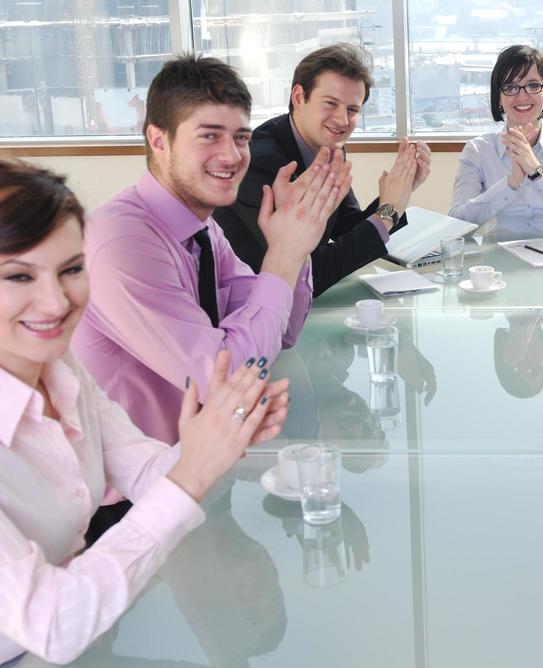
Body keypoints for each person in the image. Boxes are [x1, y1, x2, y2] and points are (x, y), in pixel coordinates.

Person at [0, 157, 290, 668]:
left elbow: (142, 470)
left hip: (63, 654)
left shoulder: (54, 365)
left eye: (70, 270)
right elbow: (53, 623)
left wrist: (215, 445)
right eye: (19, 276)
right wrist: (191, 472)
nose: (57, 303)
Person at [73, 54, 347, 450]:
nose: (233, 156)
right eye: (209, 135)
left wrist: (298, 244)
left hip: (197, 465)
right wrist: (282, 258)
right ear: (158, 140)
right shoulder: (123, 242)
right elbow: (228, 378)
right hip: (131, 497)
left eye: (241, 137)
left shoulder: (202, 229)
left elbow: (280, 333)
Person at [214, 42, 432, 296]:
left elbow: (348, 228)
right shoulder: (258, 162)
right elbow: (306, 274)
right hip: (242, 309)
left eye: (352, 109)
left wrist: (399, 192)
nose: (341, 120)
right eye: (330, 103)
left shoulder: (329, 147)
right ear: (298, 97)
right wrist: (388, 212)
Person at [448, 44, 543, 237]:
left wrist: (537, 171)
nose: (522, 95)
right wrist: (511, 183)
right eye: (510, 87)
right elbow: (457, 226)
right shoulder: (477, 150)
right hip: (496, 263)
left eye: (533, 85)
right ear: (498, 98)